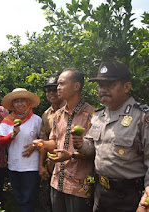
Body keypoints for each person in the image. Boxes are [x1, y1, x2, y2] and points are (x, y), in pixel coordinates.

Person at [72, 61, 149, 212]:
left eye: (110, 85)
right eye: (101, 85)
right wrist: (80, 144)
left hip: (131, 196)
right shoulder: (98, 116)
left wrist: (145, 202)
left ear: (127, 87)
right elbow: (92, 147)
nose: (103, 90)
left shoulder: (142, 117)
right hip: (102, 194)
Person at [36, 68, 95, 212]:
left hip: (79, 185)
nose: (58, 88)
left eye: (62, 84)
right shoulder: (57, 115)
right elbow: (54, 142)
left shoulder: (92, 115)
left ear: (76, 86)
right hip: (57, 181)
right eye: (58, 85)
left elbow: (96, 150)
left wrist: (70, 156)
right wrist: (41, 143)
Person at [0, 88, 42, 212]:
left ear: (28, 102)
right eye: (16, 101)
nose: (20, 104)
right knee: (19, 197)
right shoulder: (7, 121)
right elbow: (1, 141)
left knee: (28, 198)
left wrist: (34, 145)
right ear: (12, 105)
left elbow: (43, 140)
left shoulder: (37, 120)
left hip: (31, 166)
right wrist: (12, 135)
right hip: (14, 165)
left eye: (23, 100)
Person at [38, 76, 65, 211]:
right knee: (51, 200)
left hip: (70, 162)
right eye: (48, 91)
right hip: (52, 162)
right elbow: (44, 141)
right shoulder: (46, 114)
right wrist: (41, 165)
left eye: (54, 90)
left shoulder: (69, 109)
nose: (51, 94)